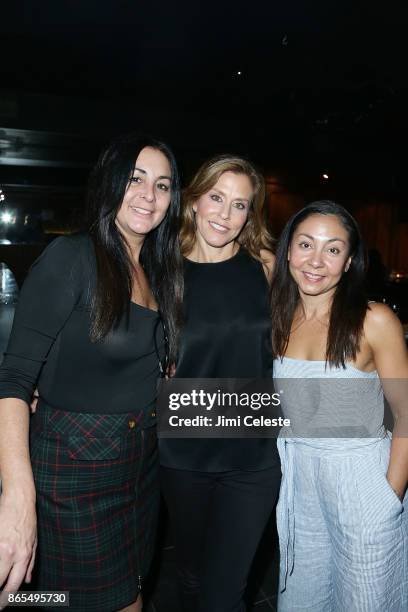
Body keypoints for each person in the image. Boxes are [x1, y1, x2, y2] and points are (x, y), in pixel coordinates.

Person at [0, 134, 183, 611]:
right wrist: (18, 498)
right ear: (110, 182)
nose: (148, 195)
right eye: (135, 178)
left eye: (162, 185)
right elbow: (14, 379)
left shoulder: (159, 270)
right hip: (74, 470)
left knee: (120, 596)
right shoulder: (73, 258)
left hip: (140, 466)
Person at [270, 200, 408, 611]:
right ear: (288, 252)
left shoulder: (374, 320)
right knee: (302, 600)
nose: (316, 261)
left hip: (361, 479)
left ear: (349, 261)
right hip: (299, 484)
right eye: (305, 244)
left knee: (366, 600)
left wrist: (389, 496)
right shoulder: (279, 316)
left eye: (333, 249)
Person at [159, 155, 281, 612]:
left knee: (225, 592)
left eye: (239, 205)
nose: (225, 215)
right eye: (216, 198)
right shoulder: (161, 266)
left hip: (254, 456)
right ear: (193, 200)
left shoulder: (266, 267)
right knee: (190, 576)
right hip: (182, 450)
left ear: (251, 214)